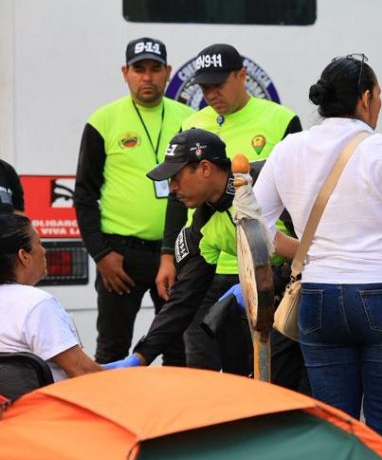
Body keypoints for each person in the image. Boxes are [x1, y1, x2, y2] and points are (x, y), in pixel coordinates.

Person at [252, 54, 382, 460]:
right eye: (379, 96)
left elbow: (253, 226)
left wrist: (304, 253)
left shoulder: (288, 150)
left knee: (336, 431)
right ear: (366, 98)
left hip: (319, 297)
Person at [105, 128, 303, 386]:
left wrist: (270, 280)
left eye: (176, 177)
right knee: (226, 325)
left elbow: (319, 244)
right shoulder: (204, 223)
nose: (172, 188)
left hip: (324, 289)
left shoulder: (266, 182)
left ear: (205, 168)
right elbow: (184, 297)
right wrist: (141, 356)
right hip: (283, 303)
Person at [157, 43, 301, 374]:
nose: (211, 94)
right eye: (204, 87)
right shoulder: (192, 123)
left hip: (262, 266)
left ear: (242, 75)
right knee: (201, 367)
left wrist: (297, 258)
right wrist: (167, 254)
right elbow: (176, 195)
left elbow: (297, 195)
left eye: (218, 84)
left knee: (259, 368)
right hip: (207, 262)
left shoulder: (280, 119)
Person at [73, 38, 193, 365]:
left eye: (155, 68)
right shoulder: (103, 120)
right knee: (112, 348)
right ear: (125, 72)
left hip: (178, 251)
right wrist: (101, 254)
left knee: (180, 350)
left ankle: (177, 402)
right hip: (120, 256)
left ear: (168, 72)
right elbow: (84, 194)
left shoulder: (190, 119)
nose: (147, 77)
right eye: (139, 69)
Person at [0, 213, 101, 380]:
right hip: (49, 397)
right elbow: (83, 372)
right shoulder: (36, 303)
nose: (44, 250)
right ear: (24, 256)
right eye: (39, 243)